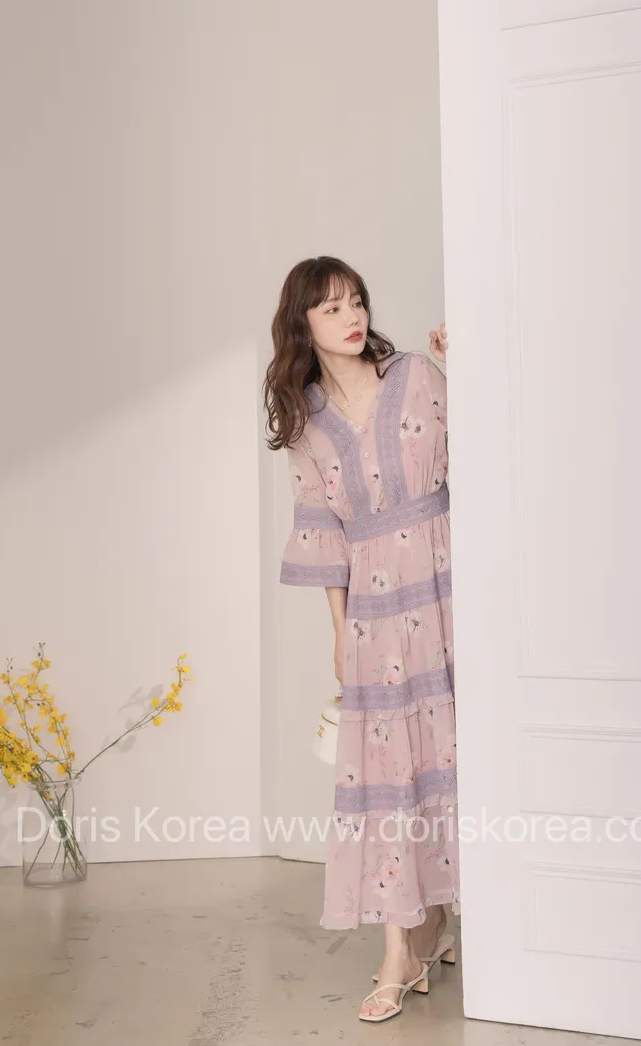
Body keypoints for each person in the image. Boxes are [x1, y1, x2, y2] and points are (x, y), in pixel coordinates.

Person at [263, 256, 459, 1023]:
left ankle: (441, 918)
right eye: (331, 307)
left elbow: (488, 451)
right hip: (376, 610)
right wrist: (341, 634)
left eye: (356, 301)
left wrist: (466, 368)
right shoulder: (308, 422)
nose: (350, 316)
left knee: (453, 757)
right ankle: (399, 949)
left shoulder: (416, 376)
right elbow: (323, 531)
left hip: (449, 585)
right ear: (302, 325)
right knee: (388, 776)